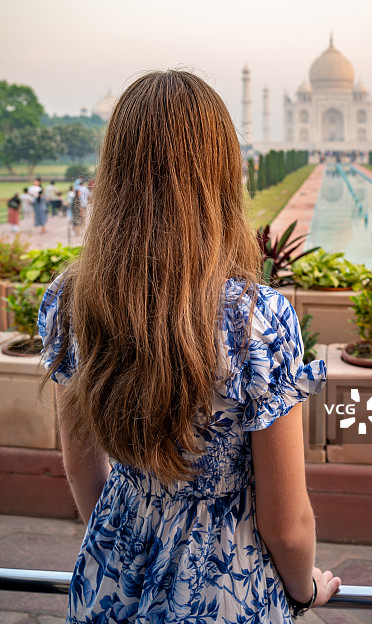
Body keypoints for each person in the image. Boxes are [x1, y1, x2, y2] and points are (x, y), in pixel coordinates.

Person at [38, 70, 340, 622]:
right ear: (222, 175)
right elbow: (286, 524)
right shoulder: (257, 320)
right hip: (227, 584)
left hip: (111, 572)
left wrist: (127, 545)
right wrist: (305, 590)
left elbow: (81, 466)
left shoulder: (70, 301)